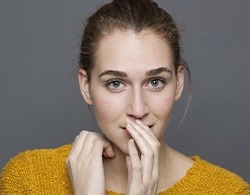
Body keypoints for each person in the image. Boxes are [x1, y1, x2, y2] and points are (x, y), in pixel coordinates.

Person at [0, 0, 249, 194]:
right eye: (116, 83)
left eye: (155, 82)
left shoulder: (230, 191)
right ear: (86, 86)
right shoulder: (28, 179)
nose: (138, 109)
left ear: (178, 82)